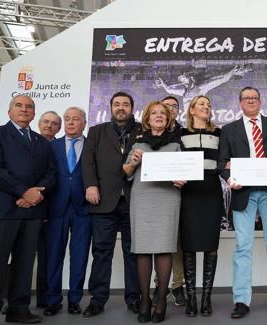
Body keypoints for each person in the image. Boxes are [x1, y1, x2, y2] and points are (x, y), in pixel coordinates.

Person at [218, 87, 267, 319]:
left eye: (254, 98)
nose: (251, 101)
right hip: (244, 194)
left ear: (260, 102)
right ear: (240, 102)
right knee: (243, 247)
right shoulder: (229, 130)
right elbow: (222, 162)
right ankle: (241, 300)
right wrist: (230, 177)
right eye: (246, 98)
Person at [0, 95, 56, 325]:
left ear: (34, 113)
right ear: (9, 111)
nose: (24, 110)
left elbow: (51, 173)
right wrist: (24, 192)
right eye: (19, 106)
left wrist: (37, 194)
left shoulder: (41, 141)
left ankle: (18, 310)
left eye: (29, 107)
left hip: (32, 211)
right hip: (2, 210)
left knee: (24, 264)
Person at [81, 91, 141, 317]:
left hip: (134, 201)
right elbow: (88, 162)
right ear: (111, 107)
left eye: (125, 104)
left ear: (132, 108)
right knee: (101, 252)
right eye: (117, 104)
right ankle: (97, 300)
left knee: (132, 252)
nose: (121, 108)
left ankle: (134, 298)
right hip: (103, 200)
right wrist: (90, 186)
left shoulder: (142, 131)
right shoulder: (97, 131)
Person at [123, 101, 184, 323]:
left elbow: (182, 175)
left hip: (167, 198)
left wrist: (181, 181)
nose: (158, 116)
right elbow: (126, 172)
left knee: (163, 249)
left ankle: (161, 299)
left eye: (163, 114)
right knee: (142, 250)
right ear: (147, 119)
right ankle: (145, 300)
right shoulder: (138, 143)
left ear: (168, 120)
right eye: (154, 113)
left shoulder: (176, 145)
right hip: (142, 198)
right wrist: (133, 162)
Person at [43, 107, 91, 317]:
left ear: (84, 123)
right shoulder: (51, 146)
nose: (71, 122)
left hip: (84, 208)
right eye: (67, 119)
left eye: (76, 119)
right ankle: (52, 299)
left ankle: (74, 299)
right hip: (56, 208)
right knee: (54, 255)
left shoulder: (93, 146)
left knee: (79, 256)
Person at [179, 96, 224, 317]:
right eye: (201, 104)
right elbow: (173, 163)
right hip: (188, 193)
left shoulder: (219, 134)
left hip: (211, 191)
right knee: (188, 245)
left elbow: (226, 160)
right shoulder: (180, 134)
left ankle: (206, 299)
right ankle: (191, 300)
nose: (206, 107)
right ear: (192, 110)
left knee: (210, 245)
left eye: (208, 104)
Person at [151, 96, 187, 308]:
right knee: (158, 242)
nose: (170, 109)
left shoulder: (183, 132)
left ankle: (177, 285)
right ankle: (159, 285)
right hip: (154, 195)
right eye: (166, 106)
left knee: (177, 243)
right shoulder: (148, 133)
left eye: (174, 106)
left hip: (178, 193)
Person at [32, 111, 62, 309]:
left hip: (48, 211)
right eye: (46, 122)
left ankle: (45, 299)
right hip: (22, 207)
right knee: (21, 257)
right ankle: (16, 300)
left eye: (54, 124)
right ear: (39, 123)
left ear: (58, 128)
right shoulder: (27, 143)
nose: (49, 126)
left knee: (46, 257)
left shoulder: (59, 148)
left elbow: (55, 180)